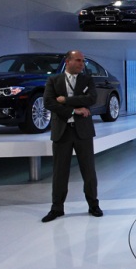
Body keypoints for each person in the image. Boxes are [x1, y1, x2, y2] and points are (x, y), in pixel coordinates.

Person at [41, 50, 103, 222]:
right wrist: (74, 110)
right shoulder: (53, 80)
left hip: (83, 132)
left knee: (88, 171)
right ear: (67, 61)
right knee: (60, 172)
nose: (82, 64)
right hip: (62, 132)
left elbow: (91, 99)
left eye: (83, 61)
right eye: (78, 60)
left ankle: (93, 205)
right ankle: (57, 208)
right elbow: (48, 102)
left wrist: (66, 100)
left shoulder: (87, 79)